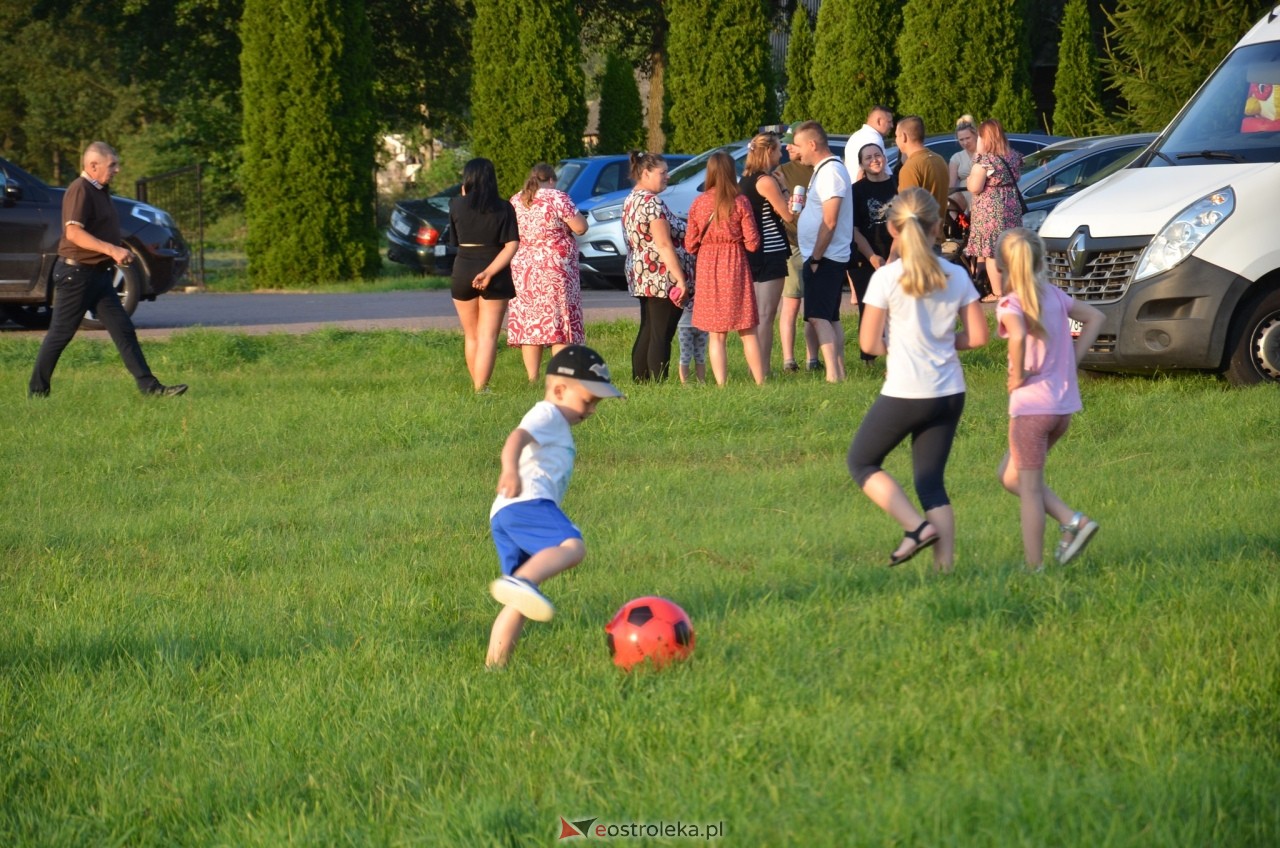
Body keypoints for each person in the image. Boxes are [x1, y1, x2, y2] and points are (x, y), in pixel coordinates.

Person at [847, 188, 988, 572]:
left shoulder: (887, 278)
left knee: (862, 462)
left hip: (908, 392)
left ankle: (917, 527)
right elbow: (978, 337)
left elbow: (868, 344)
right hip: (950, 392)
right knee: (931, 483)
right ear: (937, 227)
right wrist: (941, 341)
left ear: (893, 229)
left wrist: (897, 346)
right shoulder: (956, 274)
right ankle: (945, 572)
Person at [486, 344, 624, 667]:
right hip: (527, 501)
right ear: (559, 390)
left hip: (507, 512)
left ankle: (494, 667)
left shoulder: (556, 423)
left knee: (519, 603)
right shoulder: (547, 413)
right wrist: (509, 469)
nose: (591, 411)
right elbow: (516, 438)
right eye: (588, 401)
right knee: (573, 546)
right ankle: (521, 581)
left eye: (596, 404)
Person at [29, 142, 187, 398]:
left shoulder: (99, 190)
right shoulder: (80, 189)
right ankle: (37, 392)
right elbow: (74, 232)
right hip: (76, 275)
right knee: (61, 334)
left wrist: (116, 252)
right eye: (112, 165)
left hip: (98, 275)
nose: (117, 169)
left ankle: (150, 388)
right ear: (93, 165)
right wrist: (112, 250)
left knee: (123, 330)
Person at [993, 228, 1105, 571]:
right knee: (1009, 475)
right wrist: (1074, 360)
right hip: (1061, 409)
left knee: (1027, 490)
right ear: (1039, 260)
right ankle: (1073, 521)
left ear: (1001, 266)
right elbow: (1096, 317)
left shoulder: (1010, 304)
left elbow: (1018, 335)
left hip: (1031, 410)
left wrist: (1018, 375)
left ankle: (1034, 567)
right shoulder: (1055, 296)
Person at [685, 151, 765, 385]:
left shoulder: (698, 203)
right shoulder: (740, 202)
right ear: (731, 172)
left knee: (716, 334)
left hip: (708, 265)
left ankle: (721, 385)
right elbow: (753, 243)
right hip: (735, 264)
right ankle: (760, 382)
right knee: (747, 330)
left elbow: (690, 244)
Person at [507, 163, 589, 381]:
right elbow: (580, 227)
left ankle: (532, 378)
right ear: (551, 180)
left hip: (524, 268)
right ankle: (560, 376)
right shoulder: (557, 197)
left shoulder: (516, 199)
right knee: (559, 323)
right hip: (554, 268)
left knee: (531, 322)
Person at [449, 158, 519, 392]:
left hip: (463, 269)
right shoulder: (504, 207)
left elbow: (455, 241)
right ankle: (482, 388)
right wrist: (488, 272)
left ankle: (477, 386)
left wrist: (463, 196)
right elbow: (512, 245)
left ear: (467, 179)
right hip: (495, 271)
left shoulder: (455, 205)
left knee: (471, 335)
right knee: (488, 336)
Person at [792, 120, 853, 382]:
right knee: (830, 316)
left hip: (826, 256)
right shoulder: (823, 170)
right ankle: (839, 371)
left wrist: (816, 258)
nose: (796, 151)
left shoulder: (831, 173)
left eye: (798, 145)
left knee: (818, 316)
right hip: (823, 255)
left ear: (812, 144)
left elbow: (830, 220)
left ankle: (833, 374)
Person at [622, 151, 691, 382]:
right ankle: (659, 383)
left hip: (642, 272)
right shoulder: (652, 203)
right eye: (663, 172)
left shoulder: (631, 199)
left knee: (649, 329)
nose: (667, 176)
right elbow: (663, 244)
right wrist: (680, 279)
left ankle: (641, 381)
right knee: (661, 333)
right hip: (660, 274)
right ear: (646, 173)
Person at [740, 132, 793, 377]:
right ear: (768, 151)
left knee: (756, 316)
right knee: (766, 315)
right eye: (778, 149)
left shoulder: (745, 179)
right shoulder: (766, 181)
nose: (781, 154)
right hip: (771, 251)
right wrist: (784, 187)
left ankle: (755, 368)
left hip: (751, 251)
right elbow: (788, 214)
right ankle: (763, 370)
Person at [849, 143, 899, 362]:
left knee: (897, 309)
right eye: (868, 157)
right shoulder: (856, 191)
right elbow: (853, 229)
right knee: (869, 307)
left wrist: (892, 257)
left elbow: (905, 225)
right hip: (865, 257)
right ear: (861, 164)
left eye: (877, 155)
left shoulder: (897, 185)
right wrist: (872, 257)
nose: (874, 160)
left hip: (896, 255)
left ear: (885, 158)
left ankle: (897, 356)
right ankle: (868, 359)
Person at [965, 119, 1025, 299]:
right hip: (1011, 207)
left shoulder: (986, 161)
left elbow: (974, 187)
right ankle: (1014, 289)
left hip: (991, 211)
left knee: (992, 252)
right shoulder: (1013, 156)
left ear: (985, 138)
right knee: (1010, 249)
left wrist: (969, 179)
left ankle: (998, 293)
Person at [776, 130, 820, 372]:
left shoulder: (819, 169)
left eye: (792, 144)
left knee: (813, 305)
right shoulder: (782, 171)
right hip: (793, 242)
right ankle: (788, 359)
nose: (788, 148)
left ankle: (813, 359)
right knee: (791, 303)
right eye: (786, 145)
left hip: (817, 244)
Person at [893, 116, 950, 217]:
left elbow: (907, 212)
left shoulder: (910, 167)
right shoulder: (939, 159)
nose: (896, 140)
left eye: (897, 136)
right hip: (938, 226)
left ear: (904, 137)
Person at [844, 105, 895, 183]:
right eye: (889, 121)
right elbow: (865, 170)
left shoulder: (856, 136)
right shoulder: (874, 139)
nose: (892, 125)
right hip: (870, 188)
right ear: (879, 121)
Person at [948, 116, 978, 213]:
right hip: (964, 202)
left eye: (968, 138)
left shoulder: (986, 154)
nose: (965, 142)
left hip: (983, 199)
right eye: (961, 140)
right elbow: (951, 186)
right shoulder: (956, 158)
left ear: (975, 135)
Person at [676, 292, 708, 383]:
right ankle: (685, 383)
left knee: (700, 355)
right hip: (685, 326)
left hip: (702, 325)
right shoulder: (683, 286)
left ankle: (701, 382)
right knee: (685, 355)